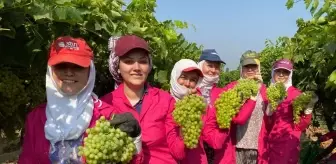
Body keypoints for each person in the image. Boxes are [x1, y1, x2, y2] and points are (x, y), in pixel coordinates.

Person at [18, 36, 141, 164]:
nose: (69, 73)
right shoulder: (35, 118)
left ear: (90, 71)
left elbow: (128, 159)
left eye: (77, 67)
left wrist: (135, 141)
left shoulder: (108, 116)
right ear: (51, 71)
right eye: (61, 66)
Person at [100, 35, 185, 164]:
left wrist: (186, 130)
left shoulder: (165, 101)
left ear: (149, 66)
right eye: (128, 61)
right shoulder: (105, 104)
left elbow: (178, 153)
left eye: (143, 61)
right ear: (117, 66)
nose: (137, 68)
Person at [213, 50, 269, 164]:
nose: (249, 70)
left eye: (253, 67)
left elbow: (270, 119)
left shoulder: (265, 90)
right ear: (241, 68)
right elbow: (235, 118)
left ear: (258, 68)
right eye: (246, 66)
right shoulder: (231, 88)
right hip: (236, 145)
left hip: (257, 147)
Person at [169, 59, 227, 164]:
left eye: (193, 80)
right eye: (183, 77)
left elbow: (215, 142)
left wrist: (225, 121)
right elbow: (177, 153)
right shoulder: (163, 103)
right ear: (175, 75)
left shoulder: (200, 106)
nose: (187, 83)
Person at [266, 59, 318, 164]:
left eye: (285, 72)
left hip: (287, 142)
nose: (281, 74)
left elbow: (300, 125)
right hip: (267, 141)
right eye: (278, 71)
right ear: (273, 73)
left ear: (290, 75)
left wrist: (308, 110)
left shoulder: (296, 94)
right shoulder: (266, 93)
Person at [197, 49, 225, 164]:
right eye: (210, 66)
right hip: (195, 150)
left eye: (217, 67)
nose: (213, 70)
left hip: (215, 149)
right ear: (200, 65)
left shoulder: (221, 93)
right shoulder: (188, 90)